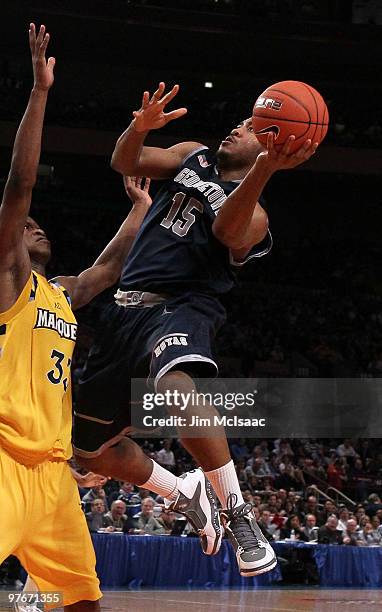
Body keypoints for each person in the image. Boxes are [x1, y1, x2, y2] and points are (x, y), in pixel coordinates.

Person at [74, 81, 318, 576]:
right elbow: (127, 162)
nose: (238, 126)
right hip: (122, 314)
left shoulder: (258, 217)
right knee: (87, 452)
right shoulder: (193, 155)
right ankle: (179, 490)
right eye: (242, 120)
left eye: (252, 128)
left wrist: (263, 169)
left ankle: (236, 512)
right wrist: (138, 127)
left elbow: (228, 230)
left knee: (175, 387)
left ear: (273, 142)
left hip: (182, 305)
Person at [0, 24, 152, 610]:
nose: (35, 227)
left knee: (82, 600)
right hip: (7, 462)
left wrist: (139, 209)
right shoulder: (9, 283)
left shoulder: (58, 293)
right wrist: (40, 91)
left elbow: (106, 271)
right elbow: (20, 185)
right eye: (26, 227)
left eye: (40, 228)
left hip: (55, 478)